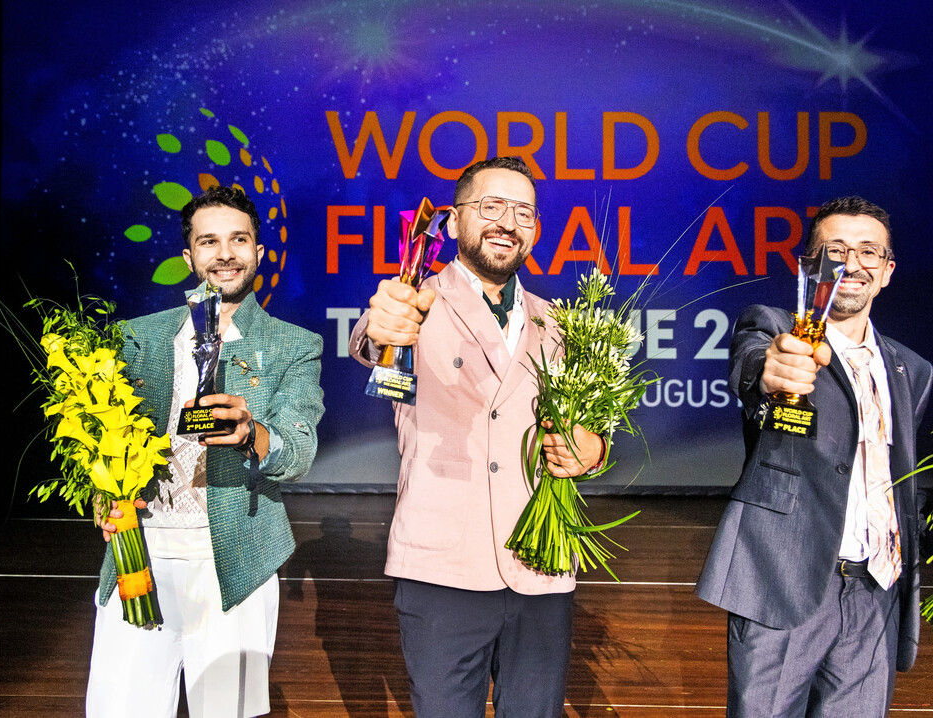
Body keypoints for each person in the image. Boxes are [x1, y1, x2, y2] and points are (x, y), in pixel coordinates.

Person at [349, 157, 606, 718]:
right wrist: (380, 327)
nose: (507, 223)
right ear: (455, 218)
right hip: (442, 566)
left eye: (523, 212)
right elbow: (376, 340)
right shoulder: (416, 297)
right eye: (491, 207)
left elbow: (590, 427)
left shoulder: (558, 322)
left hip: (539, 564)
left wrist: (594, 451)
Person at [86, 185, 324, 718]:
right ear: (188, 257)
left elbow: (299, 448)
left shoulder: (293, 344)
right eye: (209, 241)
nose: (225, 254)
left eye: (239, 240)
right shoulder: (135, 338)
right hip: (138, 554)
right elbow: (102, 440)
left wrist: (252, 433)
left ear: (259, 253)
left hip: (235, 560)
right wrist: (103, 491)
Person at [695, 196, 933, 717]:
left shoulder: (911, 369)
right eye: (836, 249)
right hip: (786, 578)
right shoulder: (776, 327)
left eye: (870, 252)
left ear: (888, 271)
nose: (853, 262)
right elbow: (758, 365)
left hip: (876, 587)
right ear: (809, 265)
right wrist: (773, 371)